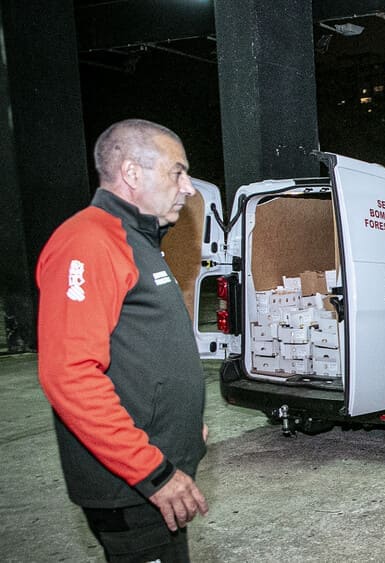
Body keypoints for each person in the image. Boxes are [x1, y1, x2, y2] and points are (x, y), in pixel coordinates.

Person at [36, 118, 208, 562]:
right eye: (178, 171)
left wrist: (183, 424)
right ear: (133, 173)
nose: (188, 188)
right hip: (131, 485)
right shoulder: (88, 241)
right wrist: (153, 472)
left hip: (152, 474)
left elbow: (138, 354)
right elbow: (69, 375)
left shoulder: (137, 241)